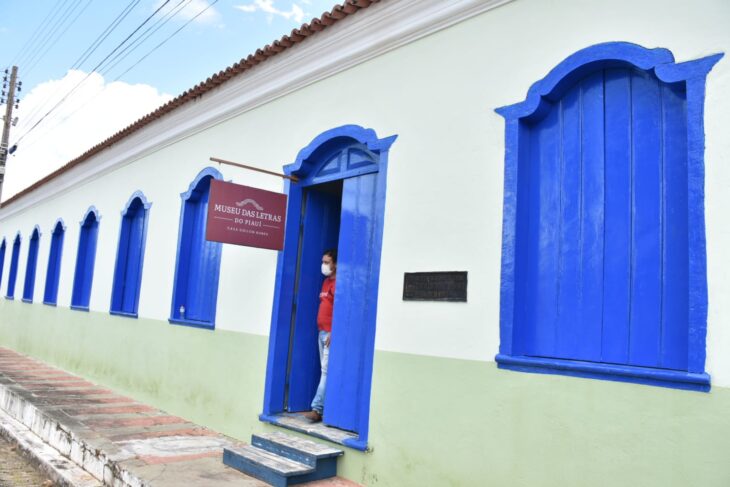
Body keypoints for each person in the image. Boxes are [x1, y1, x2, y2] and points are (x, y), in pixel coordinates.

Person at [303, 249, 336, 423]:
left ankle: (317, 409)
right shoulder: (325, 282)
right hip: (321, 331)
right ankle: (322, 408)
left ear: (335, 264)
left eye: (327, 262)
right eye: (323, 262)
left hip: (330, 333)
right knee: (325, 370)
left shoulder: (338, 283)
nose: (323, 265)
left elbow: (341, 308)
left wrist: (335, 331)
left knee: (325, 371)